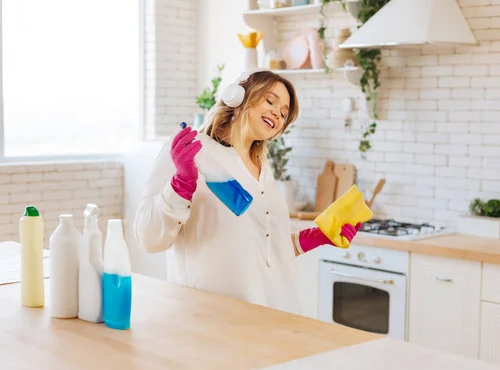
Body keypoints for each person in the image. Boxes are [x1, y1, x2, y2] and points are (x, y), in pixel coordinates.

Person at [134, 69, 361, 315]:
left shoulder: (263, 169)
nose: (277, 112)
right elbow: (148, 239)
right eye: (270, 100)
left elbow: (262, 247)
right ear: (237, 97)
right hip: (212, 319)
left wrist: (315, 238)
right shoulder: (191, 151)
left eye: (284, 113)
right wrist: (182, 182)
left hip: (274, 316)